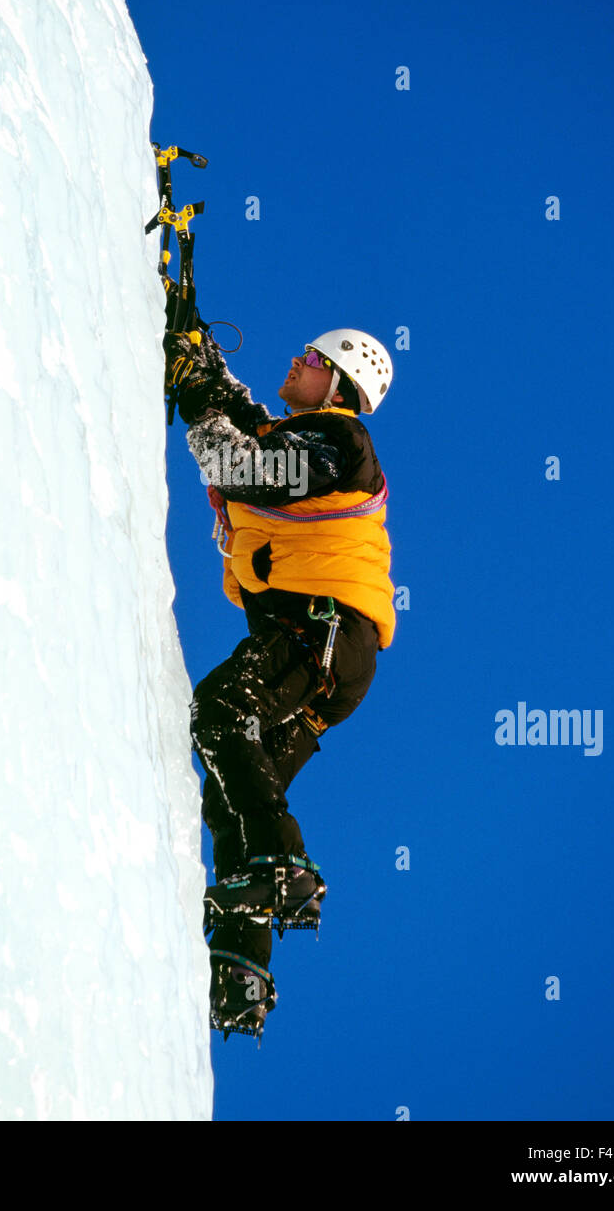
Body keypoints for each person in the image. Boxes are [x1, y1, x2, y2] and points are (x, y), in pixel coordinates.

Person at [164, 325, 396, 1038]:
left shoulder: (336, 441)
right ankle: (241, 965)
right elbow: (235, 417)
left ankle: (283, 865)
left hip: (322, 629)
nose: (295, 359)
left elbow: (239, 464)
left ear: (337, 386)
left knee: (220, 710)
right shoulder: (296, 437)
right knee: (229, 786)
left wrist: (205, 419)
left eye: (312, 359)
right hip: (331, 653)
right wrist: (192, 354)